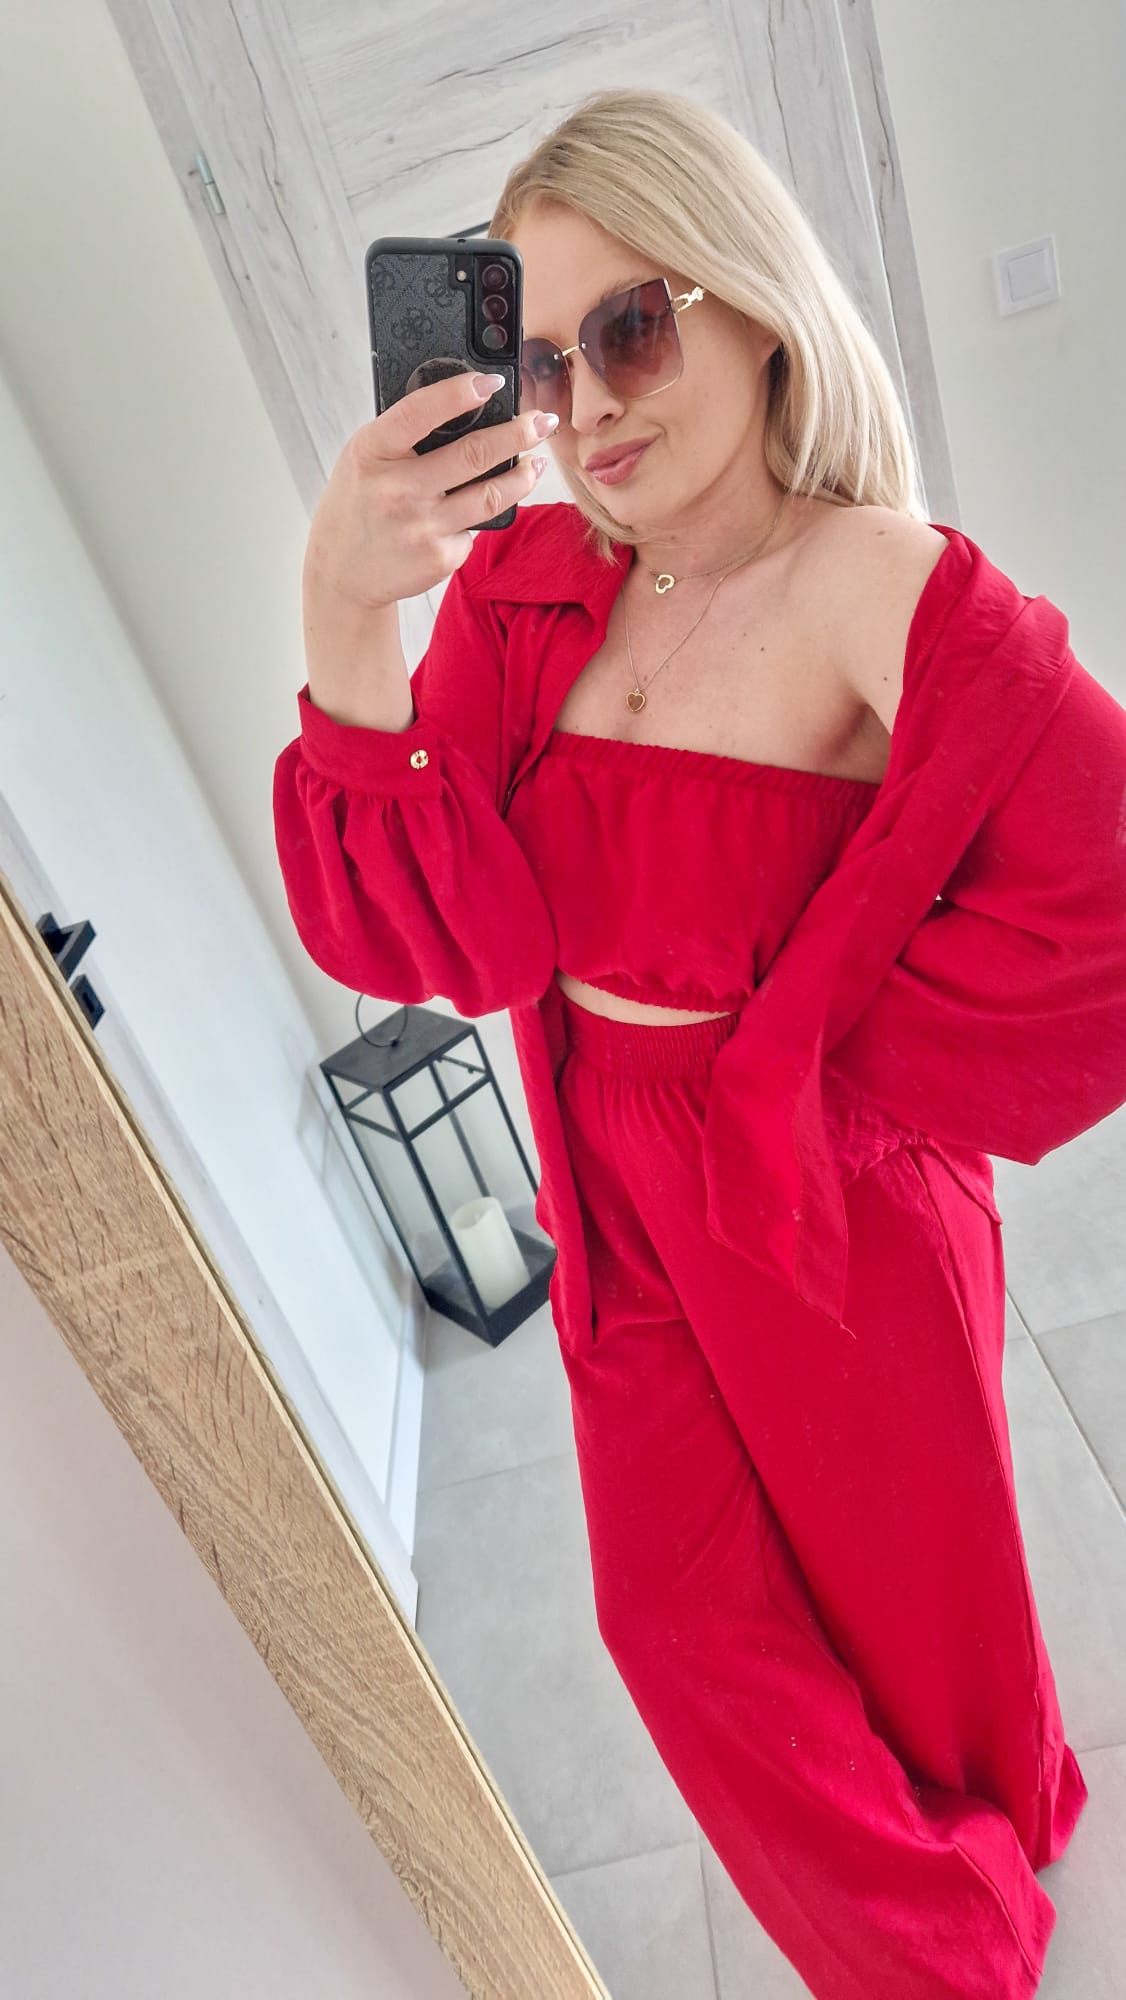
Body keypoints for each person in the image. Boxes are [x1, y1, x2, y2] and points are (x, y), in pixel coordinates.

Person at [274, 87, 1126, 2000]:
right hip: (613, 1182)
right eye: (542, 366)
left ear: (748, 300)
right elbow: (420, 929)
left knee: (902, 1583)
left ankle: (975, 1874)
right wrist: (344, 601)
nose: (586, 405)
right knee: (674, 1625)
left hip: (825, 1193)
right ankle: (938, 1948)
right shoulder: (530, 588)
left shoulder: (870, 576)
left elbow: (1105, 895)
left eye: (631, 331)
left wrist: (826, 1066)